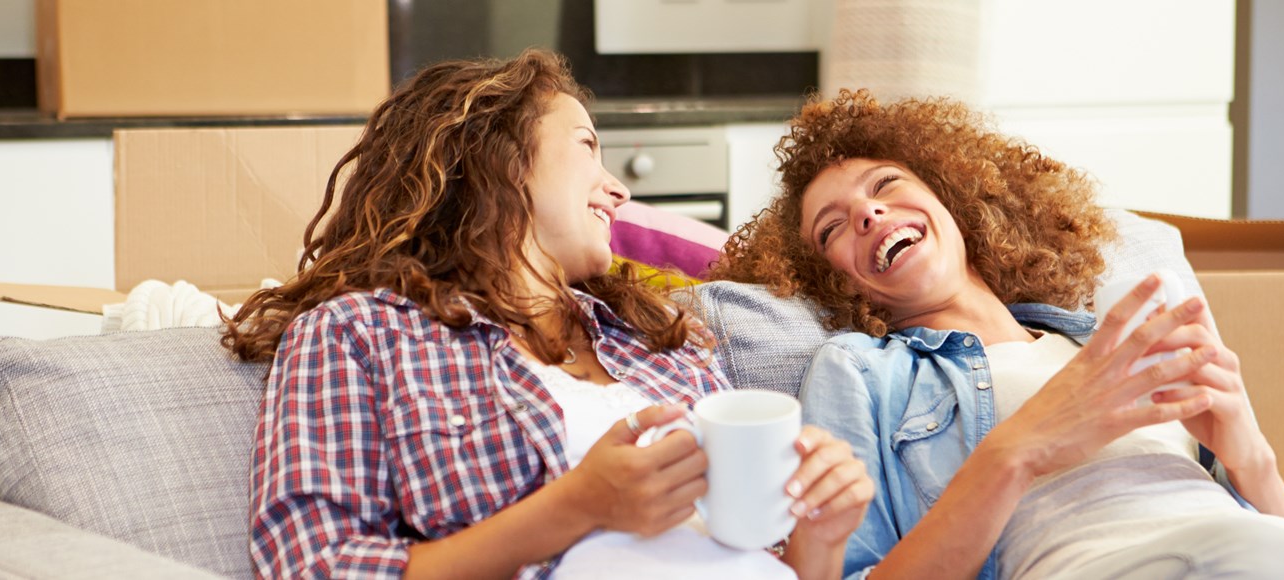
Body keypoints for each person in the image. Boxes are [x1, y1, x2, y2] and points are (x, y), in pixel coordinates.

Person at [711, 89, 1284, 580]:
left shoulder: (1099, 339)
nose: (868, 215)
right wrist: (1020, 449)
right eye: (832, 227)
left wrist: (1250, 454)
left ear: (954, 200)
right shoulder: (857, 372)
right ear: (835, 277)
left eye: (885, 186)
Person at [222, 50, 873, 579]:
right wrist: (577, 507)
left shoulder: (661, 343)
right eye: (588, 145)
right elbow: (311, 563)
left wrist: (821, 533)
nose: (618, 189)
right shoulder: (360, 333)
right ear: (498, 158)